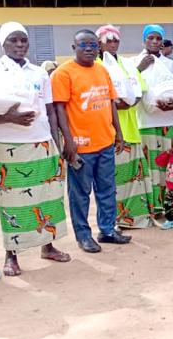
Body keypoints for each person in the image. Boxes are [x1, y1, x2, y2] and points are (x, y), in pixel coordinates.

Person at [0, 22, 70, 276]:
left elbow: (50, 110)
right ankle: (11, 255)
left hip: (42, 143)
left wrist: (56, 142)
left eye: (23, 40)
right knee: (12, 202)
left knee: (47, 197)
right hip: (10, 146)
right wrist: (9, 118)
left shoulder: (39, 73)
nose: (19, 45)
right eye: (13, 40)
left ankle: (48, 246)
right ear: (3, 43)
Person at [52, 29, 131, 253]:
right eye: (83, 45)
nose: (89, 49)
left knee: (107, 189)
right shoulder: (63, 73)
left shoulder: (102, 70)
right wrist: (68, 142)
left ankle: (107, 230)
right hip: (81, 147)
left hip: (105, 143)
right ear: (73, 47)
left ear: (99, 47)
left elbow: (110, 102)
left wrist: (118, 133)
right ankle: (83, 236)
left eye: (93, 45)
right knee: (80, 194)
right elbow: (59, 110)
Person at [97, 25, 152, 228]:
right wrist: (114, 103)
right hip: (108, 129)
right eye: (108, 40)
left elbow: (139, 89)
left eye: (116, 40)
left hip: (130, 127)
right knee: (115, 178)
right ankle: (115, 220)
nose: (113, 44)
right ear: (99, 43)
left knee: (133, 177)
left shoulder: (127, 64)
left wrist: (131, 102)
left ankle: (135, 219)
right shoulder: (96, 66)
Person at [135, 24, 173, 221]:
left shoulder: (170, 65)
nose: (155, 42)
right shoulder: (134, 63)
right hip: (146, 122)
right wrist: (139, 69)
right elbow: (131, 86)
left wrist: (171, 103)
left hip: (169, 120)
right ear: (144, 40)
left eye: (158, 38)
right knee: (151, 167)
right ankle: (154, 207)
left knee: (171, 164)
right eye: (151, 38)